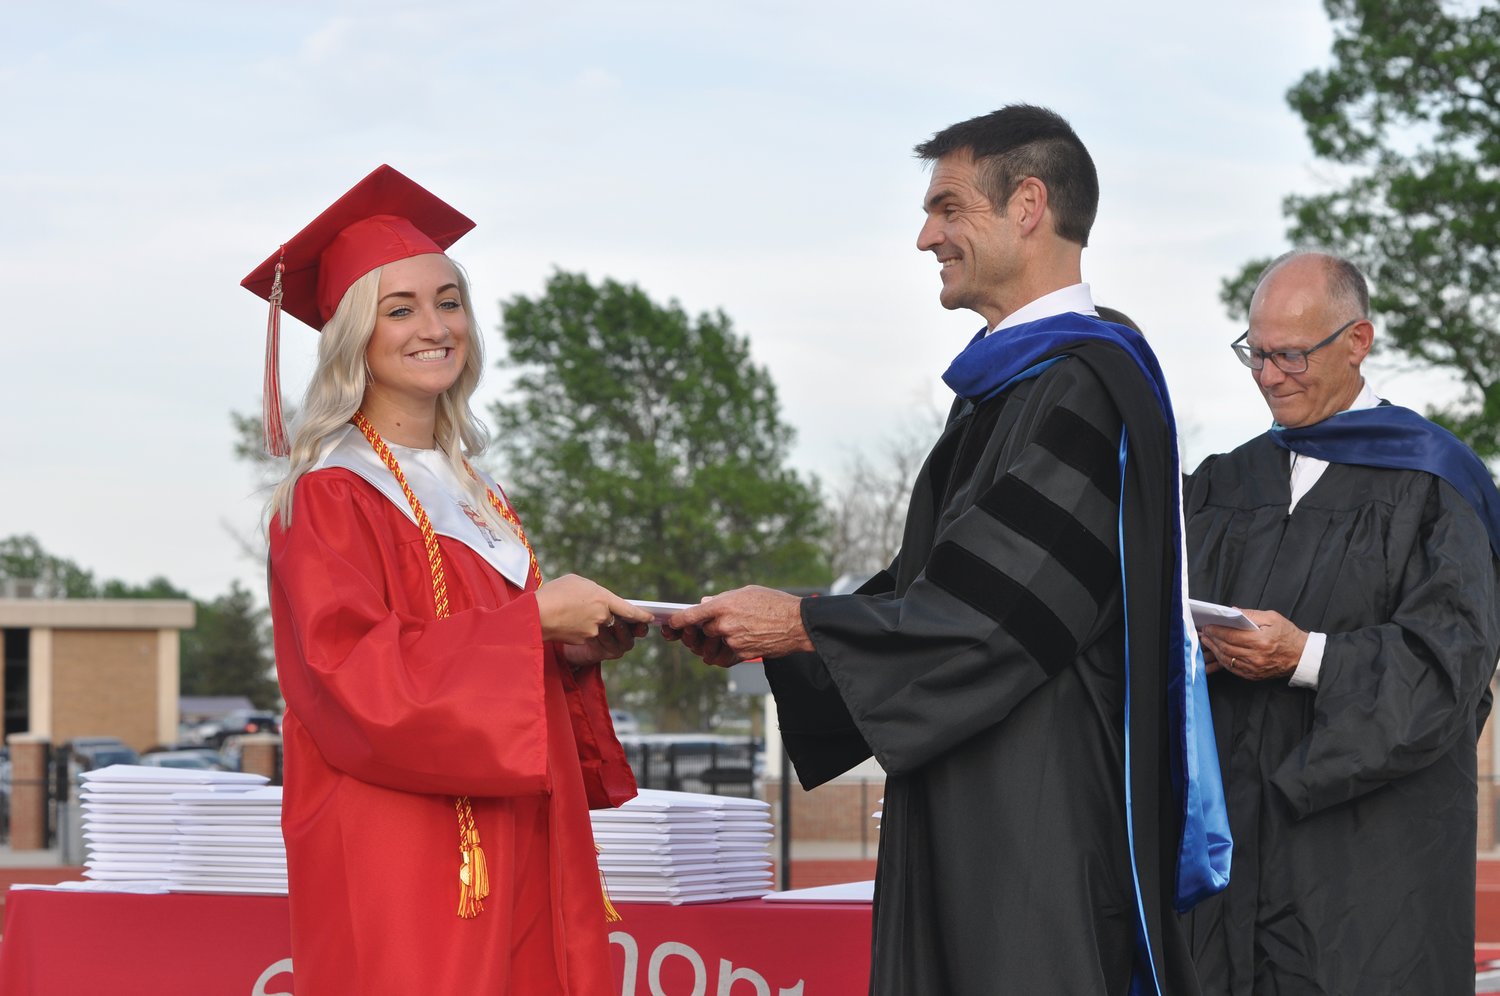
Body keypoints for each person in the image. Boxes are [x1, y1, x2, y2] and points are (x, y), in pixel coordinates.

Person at [667, 105, 1230, 995]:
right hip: (986, 801)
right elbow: (946, 578)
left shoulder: (1081, 386)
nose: (925, 235)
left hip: (1035, 822)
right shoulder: (1018, 384)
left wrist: (806, 627)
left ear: (1029, 205)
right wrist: (787, 622)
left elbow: (996, 616)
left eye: (949, 208)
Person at [241, 165, 653, 994]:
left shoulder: (477, 495)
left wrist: (573, 649)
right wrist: (531, 622)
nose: (434, 326)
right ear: (355, 334)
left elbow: (502, 663)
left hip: (520, 822)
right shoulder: (329, 496)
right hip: (404, 842)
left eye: (448, 301)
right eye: (400, 309)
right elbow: (348, 676)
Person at [1183, 250, 1500, 995]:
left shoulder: (1435, 483)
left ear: (1357, 342)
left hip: (1367, 876)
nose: (1268, 375)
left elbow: (1450, 665)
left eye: (1290, 354)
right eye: (1255, 353)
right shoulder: (1223, 482)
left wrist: (1304, 657)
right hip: (1230, 864)